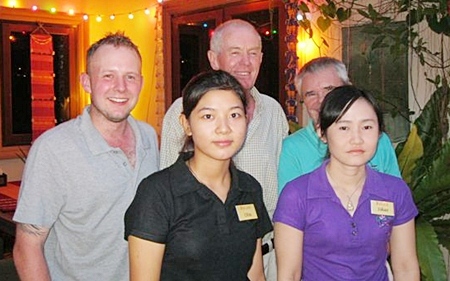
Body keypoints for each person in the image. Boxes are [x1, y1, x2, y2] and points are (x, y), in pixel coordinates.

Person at [13, 32, 159, 281]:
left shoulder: (149, 137)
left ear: (141, 83)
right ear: (87, 82)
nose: (121, 87)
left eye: (130, 77)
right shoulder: (53, 149)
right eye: (108, 76)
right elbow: (27, 246)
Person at [160, 19, 288, 280]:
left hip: (267, 257)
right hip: (205, 261)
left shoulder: (273, 112)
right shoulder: (182, 111)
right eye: (235, 53)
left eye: (253, 53)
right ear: (213, 59)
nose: (246, 63)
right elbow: (169, 194)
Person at [125, 70, 272, 281]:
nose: (224, 128)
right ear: (187, 124)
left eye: (234, 115)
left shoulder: (249, 188)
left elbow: (255, 274)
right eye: (208, 116)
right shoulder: (158, 193)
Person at [273, 85, 420, 281]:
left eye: (367, 127)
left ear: (379, 133)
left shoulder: (394, 191)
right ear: (322, 133)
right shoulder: (297, 194)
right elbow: (289, 274)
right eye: (344, 128)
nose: (357, 139)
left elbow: (405, 267)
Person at [278, 57, 401, 193]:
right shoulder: (292, 148)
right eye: (311, 94)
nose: (322, 101)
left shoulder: (378, 141)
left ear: (348, 89)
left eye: (330, 89)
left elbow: (395, 197)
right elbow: (291, 206)